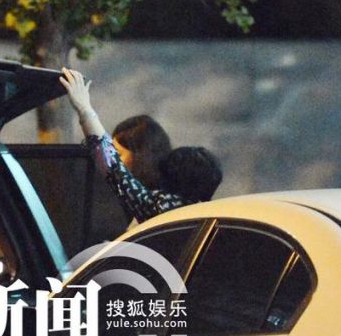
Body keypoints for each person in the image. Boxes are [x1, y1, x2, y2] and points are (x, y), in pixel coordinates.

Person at [59, 68, 222, 225]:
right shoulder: (195, 213)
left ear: (144, 154)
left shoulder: (164, 209)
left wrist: (84, 109)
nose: (116, 159)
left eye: (119, 154)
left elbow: (114, 168)